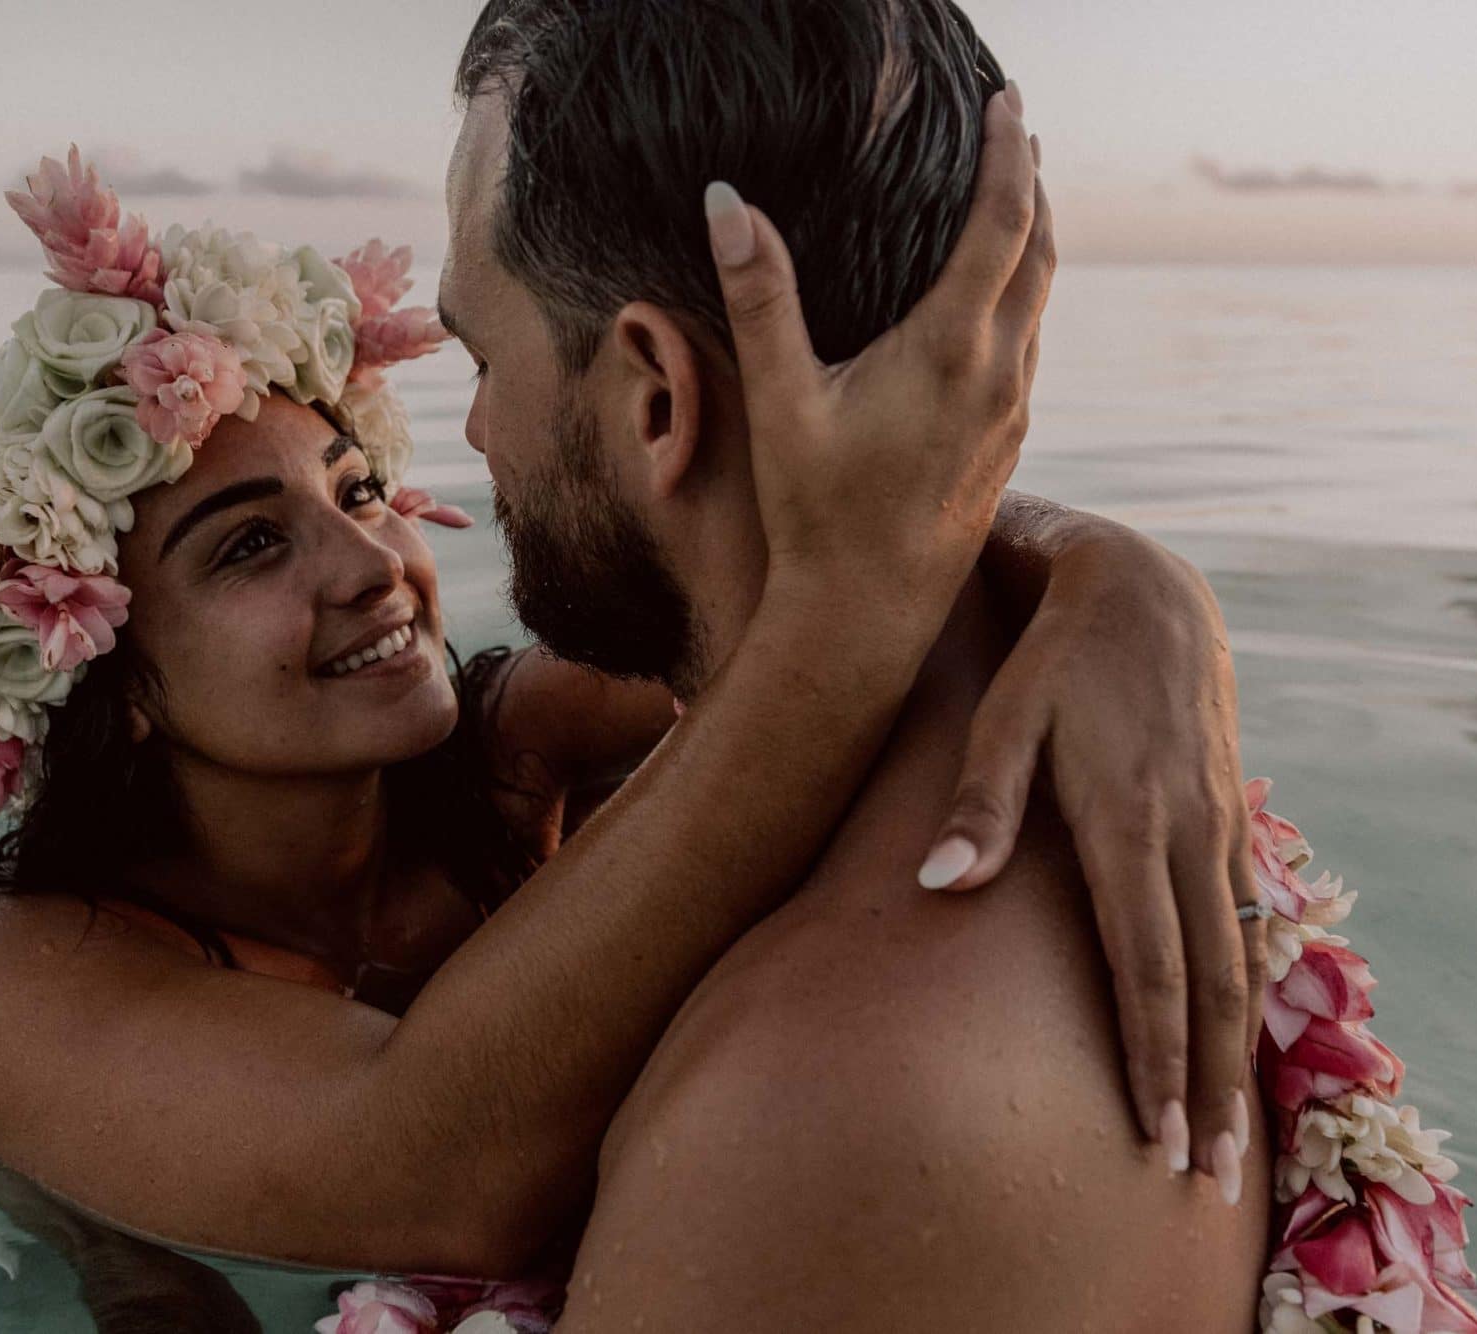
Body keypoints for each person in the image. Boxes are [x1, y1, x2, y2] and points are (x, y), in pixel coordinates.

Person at [0, 50, 1267, 1334]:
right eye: (249, 549)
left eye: (362, 484)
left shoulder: (502, 756)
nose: (373, 560)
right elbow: (431, 1163)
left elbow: (783, 581)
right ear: (116, 672)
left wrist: (1116, 578)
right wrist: (854, 614)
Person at [440, 1, 1276, 1329]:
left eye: (483, 354)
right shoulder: (1109, 770)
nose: (476, 425)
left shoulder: (812, 1105)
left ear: (655, 396)